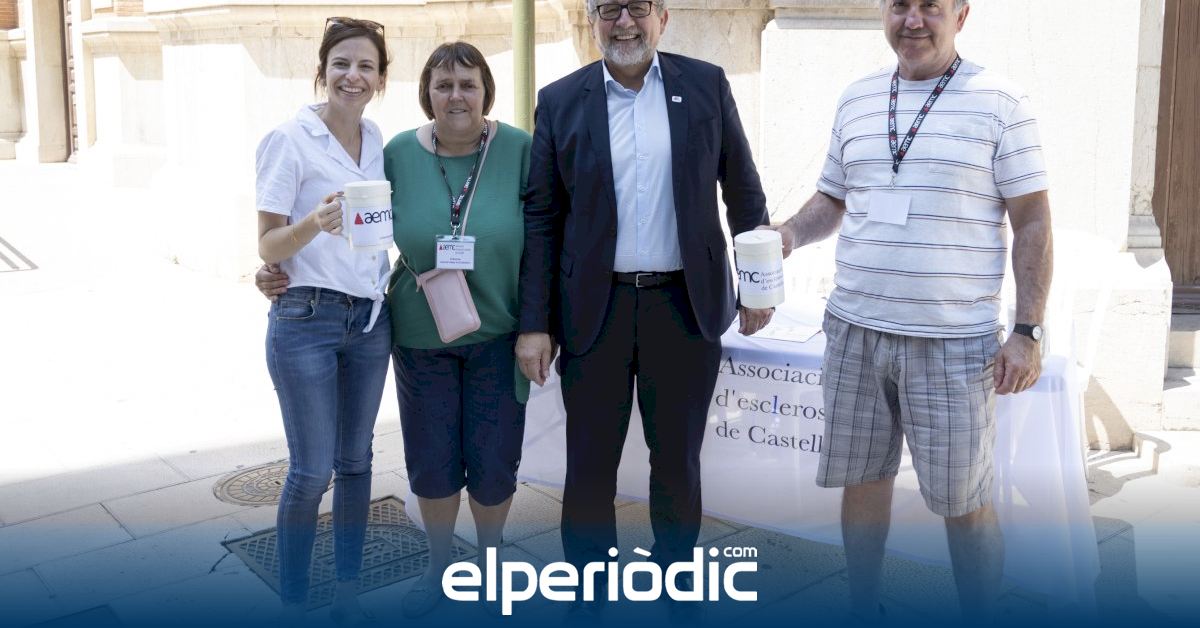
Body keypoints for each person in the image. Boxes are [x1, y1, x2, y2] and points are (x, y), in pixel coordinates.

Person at [765, 0, 1053, 622]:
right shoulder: (857, 99)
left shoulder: (1001, 102)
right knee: (862, 479)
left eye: (931, 6)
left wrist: (1027, 330)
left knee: (963, 500)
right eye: (900, 4)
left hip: (952, 343)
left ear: (961, 15)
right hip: (855, 332)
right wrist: (788, 233)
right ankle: (862, 607)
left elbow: (1032, 220)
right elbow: (833, 198)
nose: (913, 20)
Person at [514, 0, 773, 618]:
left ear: (662, 16)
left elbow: (743, 190)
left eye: (637, 6)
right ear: (590, 19)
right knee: (590, 464)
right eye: (608, 9)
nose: (623, 22)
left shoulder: (705, 86)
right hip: (593, 311)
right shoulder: (560, 101)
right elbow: (542, 218)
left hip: (682, 307)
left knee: (677, 461)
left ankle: (676, 580)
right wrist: (534, 324)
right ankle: (589, 591)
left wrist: (760, 285)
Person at [259, 41, 532, 619]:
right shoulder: (399, 152)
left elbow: (546, 237)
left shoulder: (518, 149)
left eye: (468, 84)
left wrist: (540, 325)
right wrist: (273, 267)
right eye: (442, 85)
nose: (455, 96)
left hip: (498, 333)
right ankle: (437, 570)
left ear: (486, 91)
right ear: (424, 93)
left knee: (492, 461)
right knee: (430, 462)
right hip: (417, 335)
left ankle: (490, 567)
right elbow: (350, 226)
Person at [253, 16, 391, 625]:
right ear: (322, 71)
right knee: (311, 471)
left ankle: (347, 592)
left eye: (365, 66)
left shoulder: (377, 138)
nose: (352, 76)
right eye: (341, 64)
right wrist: (314, 222)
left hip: (371, 320)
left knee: (356, 463)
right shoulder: (289, 140)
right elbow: (268, 245)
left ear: (380, 78)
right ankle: (294, 600)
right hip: (306, 318)